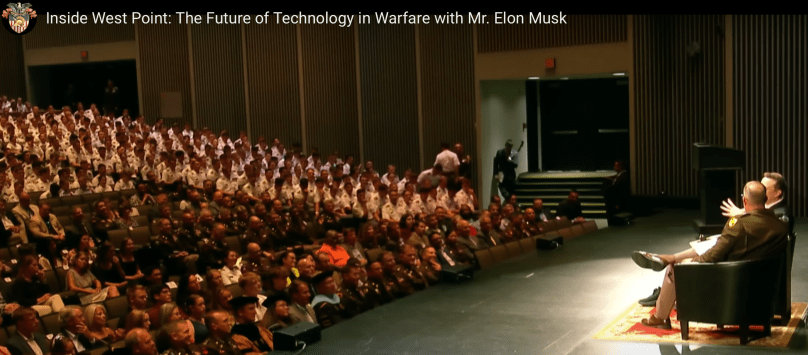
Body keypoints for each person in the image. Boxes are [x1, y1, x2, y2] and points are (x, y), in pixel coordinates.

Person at [636, 181, 788, 329]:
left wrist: (691, 262)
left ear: (744, 201)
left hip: (729, 282)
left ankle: (660, 318)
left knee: (675, 269)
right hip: (760, 287)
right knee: (711, 243)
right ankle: (668, 258)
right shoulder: (780, 227)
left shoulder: (738, 223)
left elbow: (713, 256)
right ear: (765, 199)